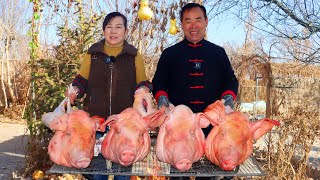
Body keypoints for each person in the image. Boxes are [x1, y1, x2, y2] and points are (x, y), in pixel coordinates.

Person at [152, 3, 238, 180]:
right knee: (178, 175)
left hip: (211, 128)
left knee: (207, 176)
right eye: (188, 21)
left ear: (206, 22)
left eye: (198, 20)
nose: (193, 26)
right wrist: (163, 104)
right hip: (178, 130)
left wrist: (227, 103)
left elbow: (230, 81)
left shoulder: (218, 53)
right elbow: (159, 83)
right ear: (182, 25)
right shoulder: (170, 54)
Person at [65, 12, 152, 180]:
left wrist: (143, 92)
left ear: (126, 31)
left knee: (122, 173)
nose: (113, 31)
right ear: (103, 30)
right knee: (98, 174)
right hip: (97, 123)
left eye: (118, 27)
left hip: (125, 126)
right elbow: (81, 80)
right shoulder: (93, 54)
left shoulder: (134, 56)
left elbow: (143, 83)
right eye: (109, 27)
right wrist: (74, 90)